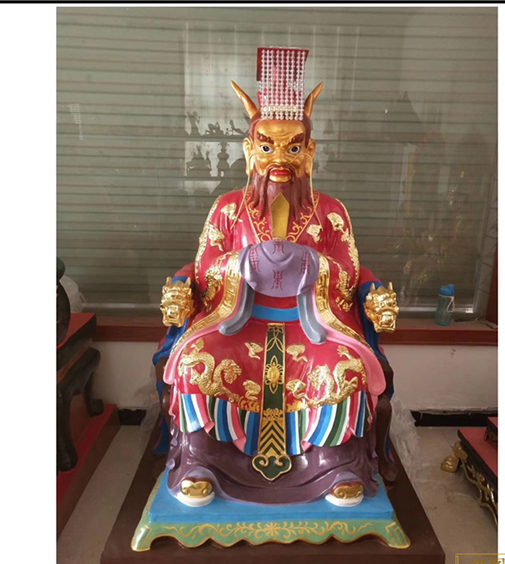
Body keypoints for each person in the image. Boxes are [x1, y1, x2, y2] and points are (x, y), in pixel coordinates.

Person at [154, 47, 400, 508]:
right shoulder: (228, 208)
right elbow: (205, 266)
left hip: (313, 326)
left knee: (345, 368)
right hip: (238, 321)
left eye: (293, 146)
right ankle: (203, 461)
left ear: (310, 151)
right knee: (194, 364)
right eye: (267, 146)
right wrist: (245, 262)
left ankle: (335, 466)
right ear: (250, 150)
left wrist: (311, 264)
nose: (279, 158)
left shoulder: (331, 212)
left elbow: (349, 270)